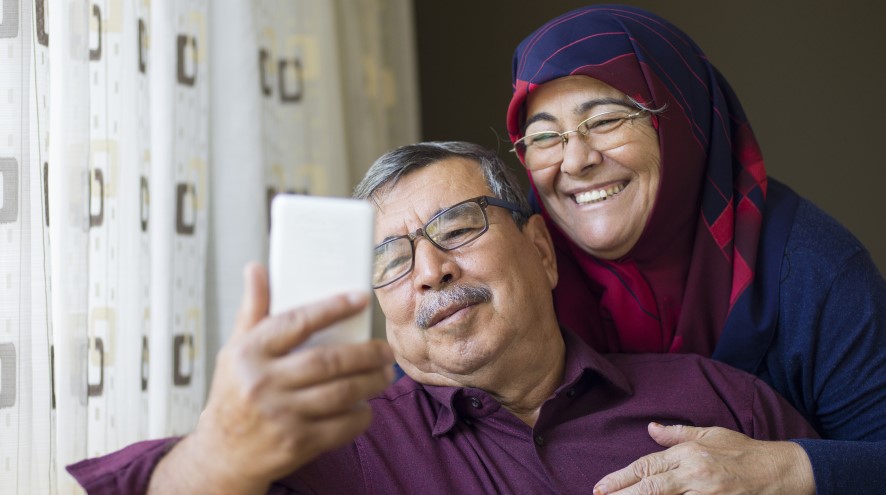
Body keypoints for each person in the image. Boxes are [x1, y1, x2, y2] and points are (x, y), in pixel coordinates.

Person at [67, 142, 817, 494]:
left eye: (458, 226)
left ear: (541, 251)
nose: (430, 269)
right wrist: (218, 452)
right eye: (391, 258)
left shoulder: (715, 402)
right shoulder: (337, 446)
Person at [505, 5, 886, 494]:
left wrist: (784, 469)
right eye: (543, 137)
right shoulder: (521, 272)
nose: (576, 160)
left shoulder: (813, 271)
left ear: (682, 118)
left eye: (605, 119)